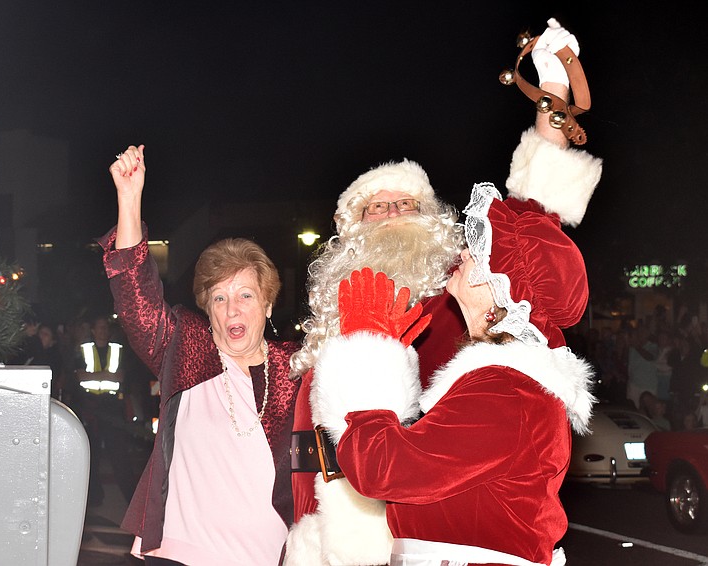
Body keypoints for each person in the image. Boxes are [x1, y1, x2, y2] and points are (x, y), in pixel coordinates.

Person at [285, 18, 603, 564]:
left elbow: (531, 237)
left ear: (432, 224)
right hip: (319, 531)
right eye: (374, 207)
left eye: (403, 205)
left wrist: (551, 106)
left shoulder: (454, 302)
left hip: (402, 526)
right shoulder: (326, 318)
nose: (389, 216)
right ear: (348, 230)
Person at [309, 170, 598, 565]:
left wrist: (366, 352)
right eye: (376, 207)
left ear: (504, 292)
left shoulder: (507, 390)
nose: (463, 252)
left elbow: (381, 468)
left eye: (479, 254)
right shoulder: (498, 380)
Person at [100, 144, 301, 565]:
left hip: (268, 556)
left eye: (246, 295)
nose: (233, 308)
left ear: (267, 304)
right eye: (220, 297)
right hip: (179, 553)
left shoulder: (295, 365)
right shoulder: (189, 347)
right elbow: (137, 296)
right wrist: (129, 198)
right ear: (207, 308)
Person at [73, 314, 137, 505]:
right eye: (99, 327)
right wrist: (107, 375)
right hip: (90, 408)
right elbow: (80, 376)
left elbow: (121, 377)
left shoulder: (117, 350)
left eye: (105, 327)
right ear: (93, 330)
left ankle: (132, 500)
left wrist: (96, 375)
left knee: (120, 456)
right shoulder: (83, 350)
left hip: (112, 408)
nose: (103, 331)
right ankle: (93, 498)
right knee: (91, 457)